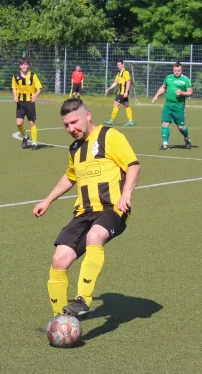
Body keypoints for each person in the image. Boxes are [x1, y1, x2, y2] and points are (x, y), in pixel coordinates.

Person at [33, 98, 141, 318]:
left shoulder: (110, 136)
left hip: (112, 209)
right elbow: (70, 176)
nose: (71, 129)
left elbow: (133, 165)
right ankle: (60, 318)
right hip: (83, 212)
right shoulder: (75, 148)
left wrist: (127, 194)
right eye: (66, 125)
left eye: (74, 122)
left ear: (88, 115)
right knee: (59, 259)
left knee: (95, 236)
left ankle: (83, 299)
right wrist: (47, 200)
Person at [151, 62, 193, 150]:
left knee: (181, 127)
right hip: (168, 105)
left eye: (178, 71)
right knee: (164, 123)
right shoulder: (168, 77)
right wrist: (156, 96)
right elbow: (163, 87)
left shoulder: (185, 80)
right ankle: (165, 144)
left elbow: (190, 92)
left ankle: (187, 138)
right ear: (173, 70)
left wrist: (182, 93)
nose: (176, 72)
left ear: (182, 70)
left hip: (178, 107)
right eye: (175, 70)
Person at [12, 58, 42, 150]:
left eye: (25, 64)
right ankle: (25, 136)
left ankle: (34, 143)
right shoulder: (16, 76)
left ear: (28, 66)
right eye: (22, 64)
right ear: (20, 66)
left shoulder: (33, 76)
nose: (24, 66)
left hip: (30, 103)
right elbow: (14, 88)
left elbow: (39, 88)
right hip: (20, 103)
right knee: (19, 123)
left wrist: (35, 96)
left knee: (31, 122)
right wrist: (15, 96)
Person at [104, 60, 135, 126]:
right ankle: (131, 121)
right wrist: (109, 89)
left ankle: (111, 120)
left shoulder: (125, 72)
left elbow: (128, 82)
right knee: (126, 106)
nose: (118, 66)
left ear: (123, 64)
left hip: (122, 93)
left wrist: (126, 92)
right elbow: (115, 83)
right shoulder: (119, 74)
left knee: (115, 105)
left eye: (119, 64)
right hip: (121, 92)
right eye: (117, 65)